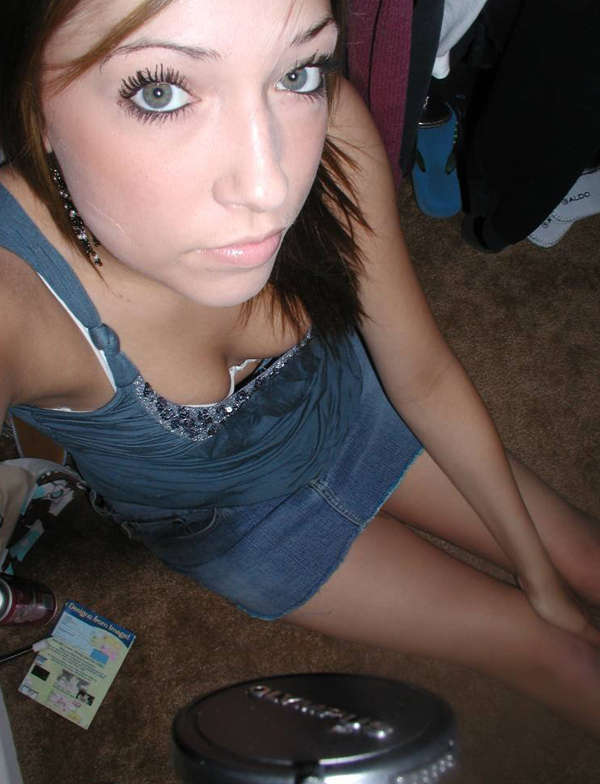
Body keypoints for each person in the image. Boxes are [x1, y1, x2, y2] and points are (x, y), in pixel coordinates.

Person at [1, 0, 600, 736]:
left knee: (584, 560)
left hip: (356, 406)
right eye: (159, 90)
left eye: (296, 71)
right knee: (553, 656)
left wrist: (538, 571)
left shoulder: (331, 120)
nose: (270, 185)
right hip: (242, 526)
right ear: (31, 94)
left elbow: (422, 374)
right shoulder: (16, 298)